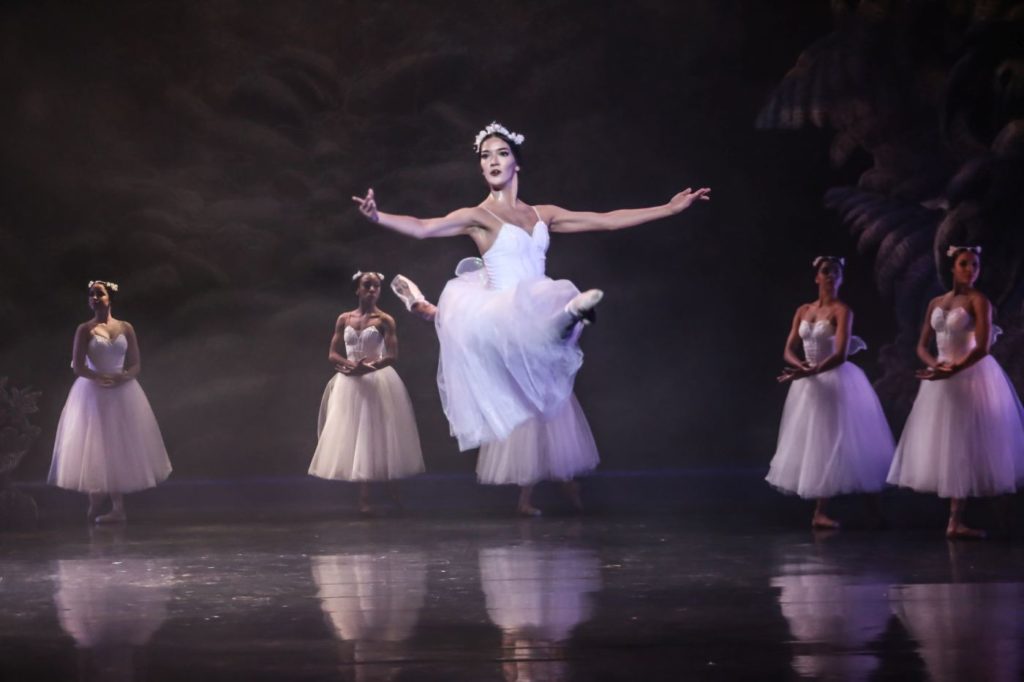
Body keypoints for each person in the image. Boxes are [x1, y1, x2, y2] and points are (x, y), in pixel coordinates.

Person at [352, 122, 709, 511]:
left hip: (535, 311)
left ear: (516, 164)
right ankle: (549, 315)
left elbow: (606, 219)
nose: (492, 160)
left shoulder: (544, 214)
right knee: (543, 301)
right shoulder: (478, 216)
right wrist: (377, 217)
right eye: (485, 155)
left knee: (546, 376)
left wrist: (669, 209)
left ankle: (532, 319)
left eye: (501, 153)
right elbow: (423, 228)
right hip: (501, 310)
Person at [393, 264, 598, 516]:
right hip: (519, 385)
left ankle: (566, 487)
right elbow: (437, 316)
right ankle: (537, 497)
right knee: (533, 438)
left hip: (540, 380)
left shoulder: (519, 304)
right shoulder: (485, 312)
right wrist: (414, 299)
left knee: (549, 436)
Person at [887, 246, 1024, 539]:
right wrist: (936, 364)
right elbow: (923, 344)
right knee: (950, 443)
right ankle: (955, 521)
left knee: (969, 441)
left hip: (971, 375)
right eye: (964, 264)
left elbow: (984, 347)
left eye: (975, 265)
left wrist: (953, 368)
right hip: (943, 376)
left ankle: (967, 519)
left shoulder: (979, 301)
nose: (970, 270)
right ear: (953, 267)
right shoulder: (936, 302)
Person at [767, 257, 894, 529]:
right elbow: (788, 348)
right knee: (820, 442)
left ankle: (871, 508)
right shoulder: (803, 310)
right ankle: (821, 512)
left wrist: (810, 371)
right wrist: (798, 365)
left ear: (841, 279)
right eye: (826, 271)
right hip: (809, 383)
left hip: (836, 380)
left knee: (850, 441)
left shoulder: (842, 311)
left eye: (836, 272)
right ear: (816, 277)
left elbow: (839, 354)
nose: (830, 276)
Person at [49, 280, 171, 523]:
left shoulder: (126, 327)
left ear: (110, 298)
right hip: (93, 391)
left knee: (118, 443)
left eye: (99, 294)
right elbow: (78, 366)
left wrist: (123, 377)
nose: (94, 298)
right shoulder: (85, 329)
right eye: (91, 295)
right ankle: (97, 496)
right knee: (97, 443)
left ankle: (117, 507)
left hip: (122, 390)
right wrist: (98, 377)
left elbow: (136, 363)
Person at [309, 271, 425, 514]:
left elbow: (392, 355)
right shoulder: (344, 318)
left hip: (377, 381)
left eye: (376, 286)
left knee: (382, 433)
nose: (372, 290)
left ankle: (393, 488)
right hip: (350, 382)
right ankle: (364, 498)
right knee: (357, 434)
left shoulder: (385, 320)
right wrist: (349, 366)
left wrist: (368, 368)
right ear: (357, 290)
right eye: (367, 285)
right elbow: (333, 352)